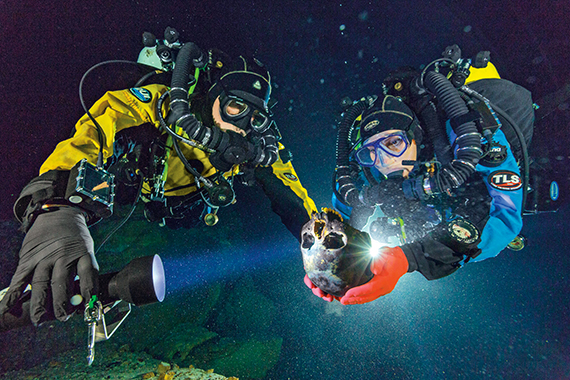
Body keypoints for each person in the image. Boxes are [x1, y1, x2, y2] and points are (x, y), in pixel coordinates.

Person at [0, 27, 317, 327]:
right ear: (214, 94)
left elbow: (290, 189)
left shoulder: (256, 143)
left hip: (191, 203)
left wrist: (327, 244)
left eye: (255, 116)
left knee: (189, 221)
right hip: (145, 184)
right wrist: (53, 202)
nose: (242, 124)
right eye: (235, 106)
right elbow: (104, 121)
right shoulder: (164, 102)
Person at [305, 47, 537, 305]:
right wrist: (324, 257)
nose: (384, 160)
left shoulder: (464, 138)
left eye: (394, 143)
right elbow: (343, 211)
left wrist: (410, 257)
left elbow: (505, 217)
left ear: (415, 135)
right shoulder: (368, 163)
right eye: (371, 152)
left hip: (481, 175)